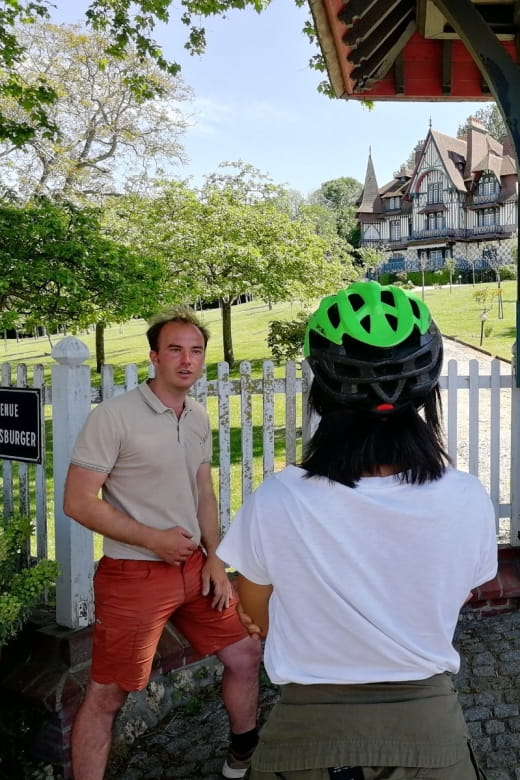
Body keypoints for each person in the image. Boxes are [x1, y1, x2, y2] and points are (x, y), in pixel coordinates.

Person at [217, 280, 498, 780]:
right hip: (430, 733)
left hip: (304, 737)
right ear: (426, 388)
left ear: (321, 388)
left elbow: (254, 615)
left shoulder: (278, 499)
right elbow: (454, 591)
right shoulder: (466, 498)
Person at [63, 306, 261, 780]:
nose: (187, 360)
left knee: (245, 654)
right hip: (134, 575)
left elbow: (204, 493)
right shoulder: (113, 417)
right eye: (175, 349)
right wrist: (153, 539)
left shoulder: (195, 416)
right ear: (154, 356)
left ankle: (242, 759)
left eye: (196, 351)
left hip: (195, 568)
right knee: (108, 695)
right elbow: (78, 502)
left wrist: (216, 558)